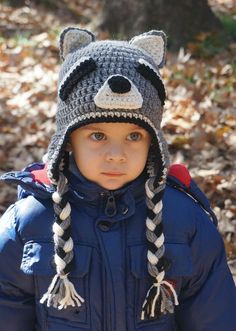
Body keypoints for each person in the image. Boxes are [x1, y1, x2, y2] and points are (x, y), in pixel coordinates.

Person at [0, 27, 235, 331]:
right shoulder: (27, 225)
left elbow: (216, 318)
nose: (116, 154)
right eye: (97, 135)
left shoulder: (186, 222)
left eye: (134, 136)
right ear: (68, 141)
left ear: (153, 142)